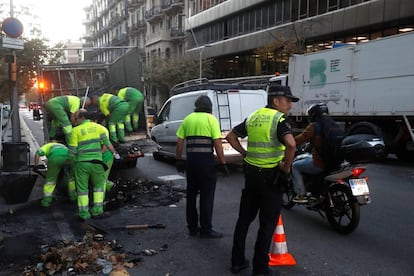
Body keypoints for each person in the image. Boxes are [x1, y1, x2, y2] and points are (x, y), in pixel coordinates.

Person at [226, 83, 298, 276]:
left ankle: (237, 262)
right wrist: (286, 167)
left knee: (244, 220)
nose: (290, 105)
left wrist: (245, 154)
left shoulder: (254, 116)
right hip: (270, 178)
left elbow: (231, 137)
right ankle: (260, 269)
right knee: (267, 225)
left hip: (251, 176)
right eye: (287, 101)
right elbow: (291, 145)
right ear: (276, 101)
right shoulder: (278, 119)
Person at [176, 95, 228, 239]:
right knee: (207, 197)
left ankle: (192, 228)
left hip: (191, 163)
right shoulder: (211, 119)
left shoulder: (188, 119)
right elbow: (217, 143)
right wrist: (223, 163)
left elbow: (179, 142)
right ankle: (206, 229)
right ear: (209, 107)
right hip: (206, 164)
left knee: (191, 196)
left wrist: (179, 160)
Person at [67, 109, 119, 221]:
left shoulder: (75, 131)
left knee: (82, 190)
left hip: (81, 164)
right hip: (97, 163)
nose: (76, 120)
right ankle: (97, 210)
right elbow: (107, 143)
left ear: (82, 118)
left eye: (77, 118)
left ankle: (84, 213)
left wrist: (68, 162)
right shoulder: (99, 128)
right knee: (99, 188)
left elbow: (72, 150)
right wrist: (115, 154)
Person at [291, 102, 330, 203]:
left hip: (319, 164)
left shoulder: (314, 126)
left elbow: (298, 140)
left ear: (313, 115)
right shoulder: (333, 125)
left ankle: (301, 194)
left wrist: (288, 141)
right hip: (333, 162)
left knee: (295, 166)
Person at [34, 141, 70, 207]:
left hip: (54, 158)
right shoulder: (63, 146)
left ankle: (46, 201)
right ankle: (73, 196)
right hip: (68, 157)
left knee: (50, 181)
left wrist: (36, 166)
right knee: (70, 178)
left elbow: (37, 154)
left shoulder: (47, 146)